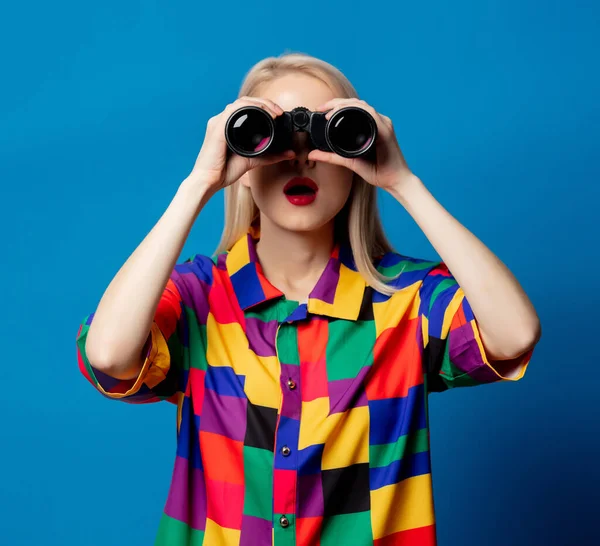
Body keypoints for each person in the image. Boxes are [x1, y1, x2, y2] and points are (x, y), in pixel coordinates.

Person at [76, 52, 541, 546]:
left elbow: (514, 334)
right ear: (244, 165)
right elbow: (108, 356)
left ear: (357, 154)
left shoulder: (406, 303)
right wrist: (199, 184)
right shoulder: (200, 298)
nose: (299, 156)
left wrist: (402, 181)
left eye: (325, 136)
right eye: (270, 136)